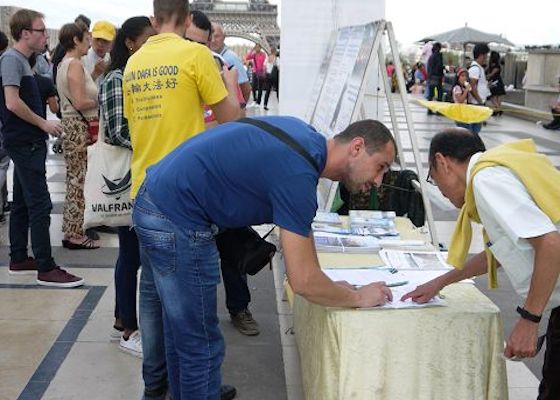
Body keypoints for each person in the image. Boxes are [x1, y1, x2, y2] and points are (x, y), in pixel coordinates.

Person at [133, 116, 395, 399]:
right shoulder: (299, 175)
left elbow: (303, 238)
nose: (380, 181)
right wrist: (358, 298)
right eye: (381, 167)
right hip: (174, 218)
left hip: (157, 198)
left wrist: (331, 283)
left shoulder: (306, 142)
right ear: (357, 147)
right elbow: (303, 281)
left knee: (183, 331)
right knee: (200, 345)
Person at [122, 0, 241, 398]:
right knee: (194, 318)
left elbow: (135, 123)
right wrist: (229, 83)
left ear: (154, 19)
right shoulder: (196, 56)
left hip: (142, 192)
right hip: (182, 198)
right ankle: (195, 386)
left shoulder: (134, 63)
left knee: (153, 298)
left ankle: (155, 387)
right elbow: (232, 120)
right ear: (189, 19)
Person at [402, 128, 560, 400]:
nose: (437, 186)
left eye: (433, 177)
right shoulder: (496, 171)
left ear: (443, 162)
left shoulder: (486, 181)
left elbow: (550, 243)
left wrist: (529, 319)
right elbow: (501, 251)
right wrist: (441, 282)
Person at [0, 8, 83, 286]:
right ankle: (46, 268)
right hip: (25, 141)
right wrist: (43, 123)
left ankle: (19, 258)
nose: (45, 35)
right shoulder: (12, 60)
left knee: (23, 202)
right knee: (40, 204)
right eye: (40, 30)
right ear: (25, 33)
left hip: (27, 141)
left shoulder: (25, 61)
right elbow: (12, 102)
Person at [99, 16, 155, 358]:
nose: (153, 44)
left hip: (138, 173)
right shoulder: (117, 77)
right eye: (147, 39)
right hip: (127, 175)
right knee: (130, 253)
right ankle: (128, 326)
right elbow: (119, 130)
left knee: (132, 252)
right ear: (131, 43)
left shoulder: (132, 74)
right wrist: (157, 141)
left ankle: (128, 321)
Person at [56, 22, 100, 250]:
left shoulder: (67, 63)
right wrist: (100, 101)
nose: (90, 42)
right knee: (78, 180)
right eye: (87, 38)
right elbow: (81, 101)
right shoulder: (74, 64)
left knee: (76, 178)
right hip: (78, 127)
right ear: (76, 39)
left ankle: (73, 229)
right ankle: (73, 233)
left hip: (73, 125)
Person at [209, 22, 251, 106]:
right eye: (210, 37)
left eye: (217, 36)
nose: (213, 40)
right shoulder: (212, 57)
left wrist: (238, 109)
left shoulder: (230, 58)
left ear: (224, 37)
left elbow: (246, 89)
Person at [82, 20, 116, 87]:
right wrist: (95, 74)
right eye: (97, 39)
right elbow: (79, 89)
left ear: (112, 43)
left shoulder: (112, 60)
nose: (100, 44)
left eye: (105, 41)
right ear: (91, 38)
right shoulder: (82, 59)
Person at [452, 67, 481, 136]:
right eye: (462, 76)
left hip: (466, 113)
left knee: (473, 130)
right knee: (465, 132)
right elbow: (460, 100)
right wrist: (466, 90)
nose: (464, 78)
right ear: (458, 77)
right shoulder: (457, 88)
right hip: (460, 114)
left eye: (466, 76)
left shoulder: (464, 88)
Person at [426, 42, 444, 113]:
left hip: (431, 77)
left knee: (431, 94)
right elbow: (439, 66)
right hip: (437, 77)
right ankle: (438, 110)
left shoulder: (431, 56)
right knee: (440, 94)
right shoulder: (438, 55)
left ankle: (429, 110)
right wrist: (443, 69)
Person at [486, 51, 506, 116]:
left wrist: (486, 77)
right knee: (497, 96)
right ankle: (498, 109)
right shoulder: (497, 65)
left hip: (494, 82)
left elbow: (491, 74)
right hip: (498, 82)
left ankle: (497, 109)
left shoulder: (493, 65)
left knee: (493, 96)